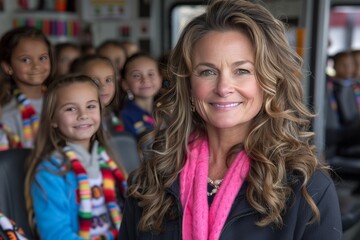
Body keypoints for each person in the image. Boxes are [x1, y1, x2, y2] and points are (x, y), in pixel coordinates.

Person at [119, 0, 343, 239]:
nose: (224, 87)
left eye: (242, 71)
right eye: (207, 71)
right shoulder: (152, 176)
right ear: (189, 86)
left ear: (269, 82)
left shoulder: (308, 187)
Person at [24, 75, 127, 239]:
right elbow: (56, 234)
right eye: (71, 109)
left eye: (91, 106)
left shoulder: (107, 160)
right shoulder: (50, 171)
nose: (83, 115)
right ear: (52, 119)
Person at [0, 26, 53, 148]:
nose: (36, 66)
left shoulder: (60, 98)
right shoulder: (8, 114)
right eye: (26, 60)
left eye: (42, 58)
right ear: (7, 67)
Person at [70, 54, 124, 134]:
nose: (103, 86)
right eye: (94, 81)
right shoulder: (81, 121)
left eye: (108, 80)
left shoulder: (112, 115)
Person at [120, 52, 162, 140]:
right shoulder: (125, 116)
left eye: (150, 74)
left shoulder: (167, 109)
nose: (145, 80)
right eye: (136, 76)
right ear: (125, 84)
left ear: (160, 78)